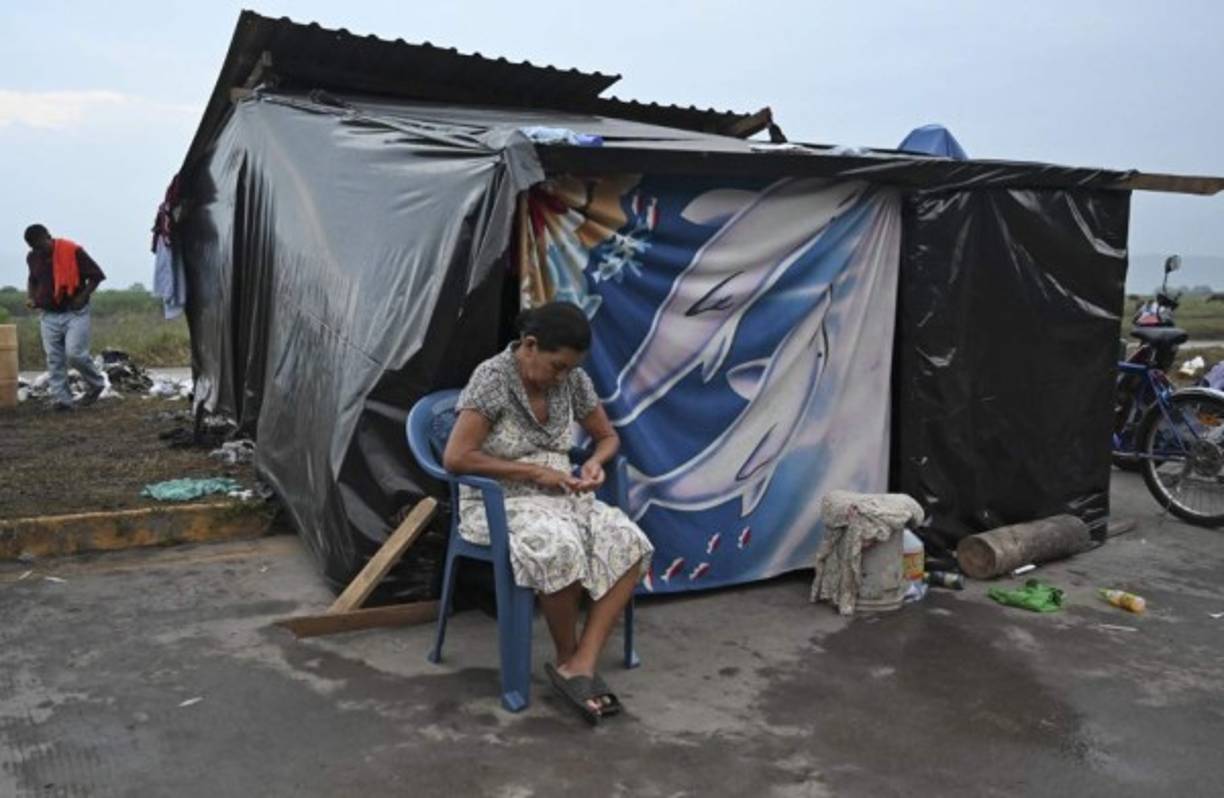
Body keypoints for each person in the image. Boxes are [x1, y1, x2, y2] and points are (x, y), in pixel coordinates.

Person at [444, 302, 654, 723]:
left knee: (631, 541)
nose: (562, 378)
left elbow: (607, 436)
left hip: (560, 493)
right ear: (530, 345)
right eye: (557, 366)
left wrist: (595, 461)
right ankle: (566, 655)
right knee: (559, 545)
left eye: (569, 369)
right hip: (500, 501)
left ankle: (580, 664)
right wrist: (529, 471)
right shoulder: (492, 379)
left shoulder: (572, 379)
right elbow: (456, 458)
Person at [23, 224, 107, 410]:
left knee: (75, 354)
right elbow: (32, 279)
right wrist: (31, 297)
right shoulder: (33, 257)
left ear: (48, 236)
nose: (39, 250)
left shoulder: (72, 251)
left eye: (41, 245)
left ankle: (96, 384)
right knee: (54, 358)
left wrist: (82, 296)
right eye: (34, 247)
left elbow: (97, 276)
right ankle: (63, 400)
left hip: (75, 312)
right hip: (48, 314)